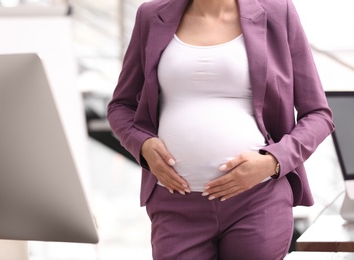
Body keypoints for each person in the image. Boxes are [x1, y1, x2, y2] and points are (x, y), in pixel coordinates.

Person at [107, 0, 335, 259]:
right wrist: (143, 145)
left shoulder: (278, 11)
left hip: (257, 201)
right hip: (175, 204)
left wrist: (274, 160)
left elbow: (318, 114)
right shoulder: (151, 15)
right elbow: (120, 107)